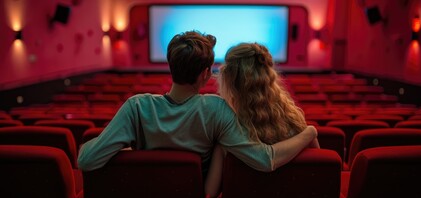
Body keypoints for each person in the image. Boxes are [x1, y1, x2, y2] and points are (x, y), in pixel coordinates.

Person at [78, 31, 317, 184]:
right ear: (205, 74)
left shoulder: (137, 107)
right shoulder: (217, 109)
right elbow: (264, 160)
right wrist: (309, 132)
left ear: (170, 65)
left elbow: (87, 160)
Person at [204, 43, 320, 198]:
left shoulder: (226, 139)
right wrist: (310, 132)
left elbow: (210, 193)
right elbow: (317, 170)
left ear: (230, 80)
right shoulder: (296, 125)